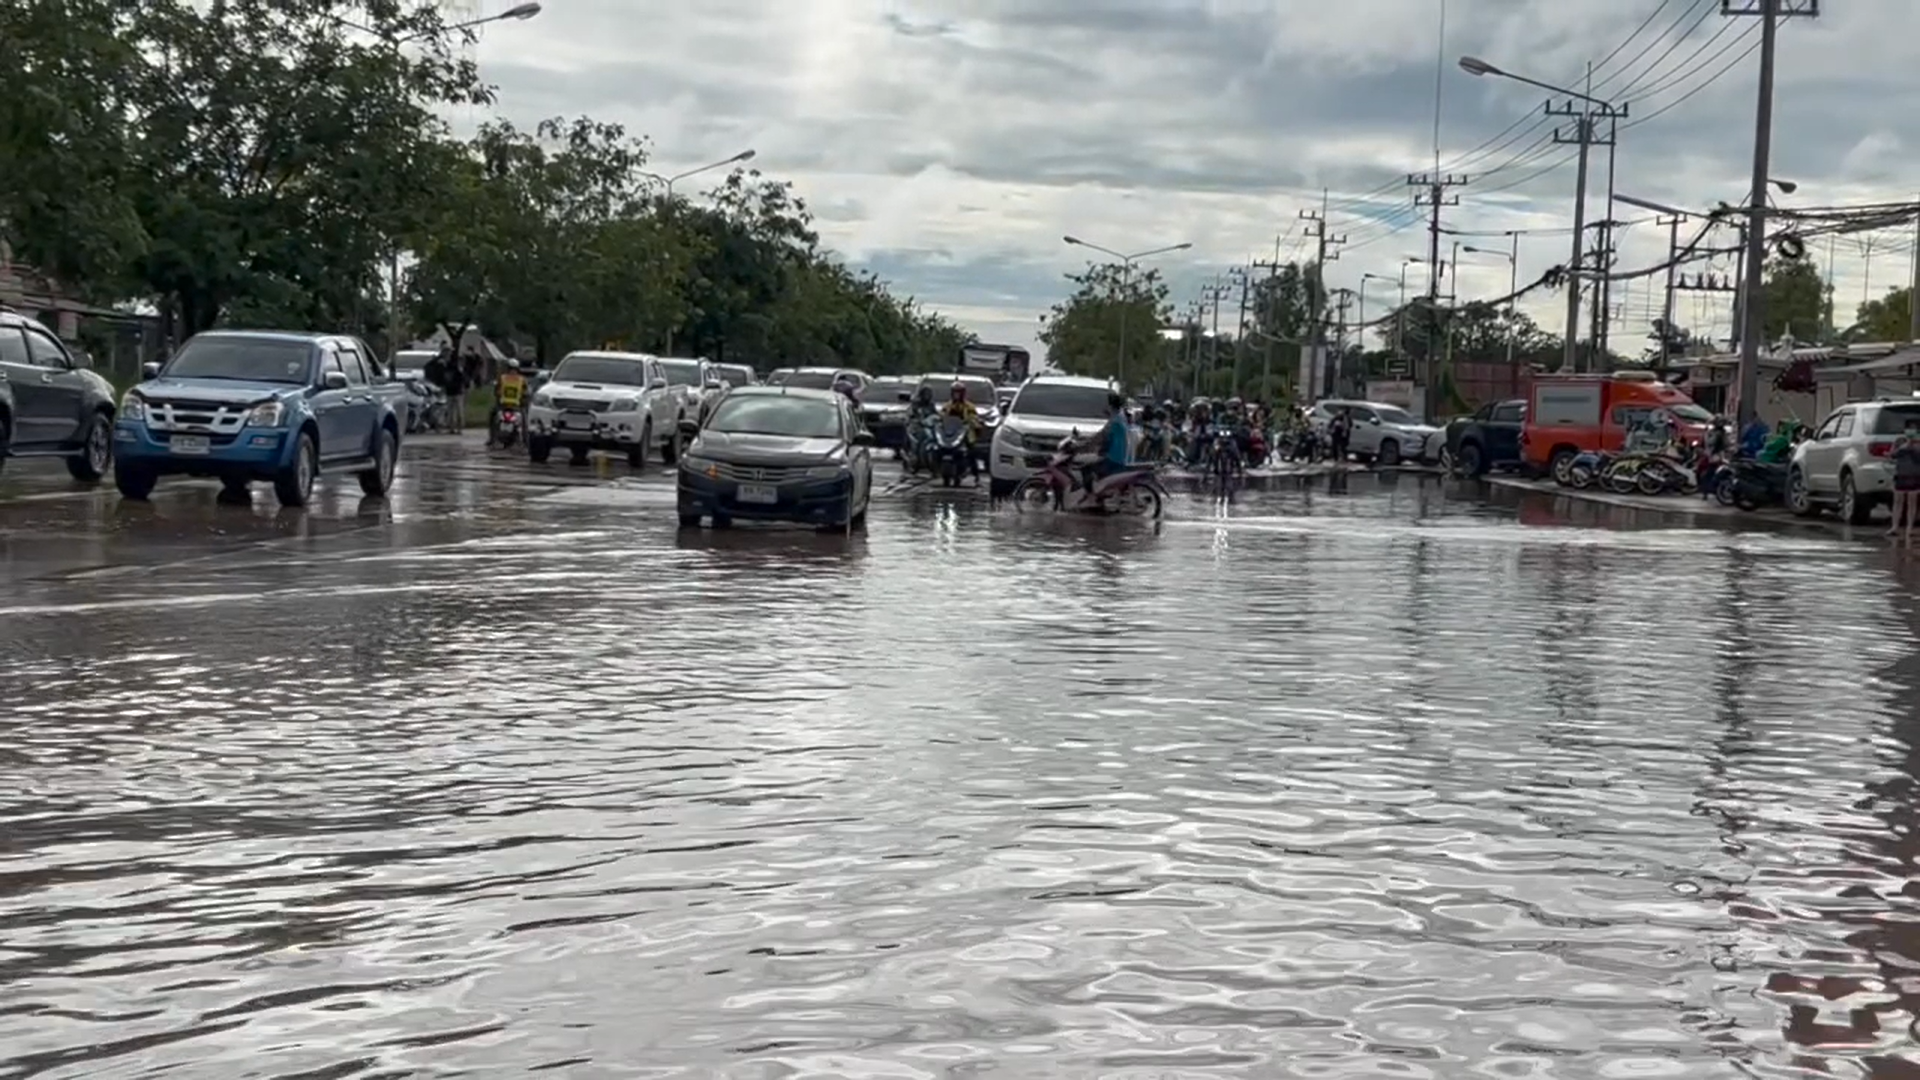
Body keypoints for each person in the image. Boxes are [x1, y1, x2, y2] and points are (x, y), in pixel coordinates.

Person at [1078, 391, 1133, 497]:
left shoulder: (1115, 420)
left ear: (1110, 406)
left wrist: (1083, 445)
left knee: (1086, 467)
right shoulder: (1120, 417)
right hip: (1121, 455)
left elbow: (1101, 436)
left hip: (1114, 457)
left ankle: (1091, 496)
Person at [941, 382, 983, 482]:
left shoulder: (969, 406)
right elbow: (942, 416)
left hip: (965, 433)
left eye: (959, 392)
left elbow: (975, 418)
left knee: (972, 452)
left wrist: (972, 421)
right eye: (955, 392)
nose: (957, 395)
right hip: (951, 433)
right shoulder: (947, 406)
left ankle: (976, 474)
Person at [489, 359, 527, 447]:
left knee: (493, 417)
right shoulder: (521, 379)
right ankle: (525, 440)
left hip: (504, 405)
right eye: (512, 369)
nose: (513, 371)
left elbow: (496, 391)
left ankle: (492, 439)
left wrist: (498, 396)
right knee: (524, 420)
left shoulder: (502, 378)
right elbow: (526, 393)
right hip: (514, 406)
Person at [1893, 419, 1920, 545]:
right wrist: (1904, 447)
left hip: (1915, 476)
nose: (1911, 430)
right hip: (1900, 475)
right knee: (1898, 501)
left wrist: (1913, 447)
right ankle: (1895, 526)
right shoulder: (1899, 441)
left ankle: (1909, 527)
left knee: (1912, 501)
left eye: (1914, 428)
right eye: (1909, 428)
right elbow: (1893, 454)